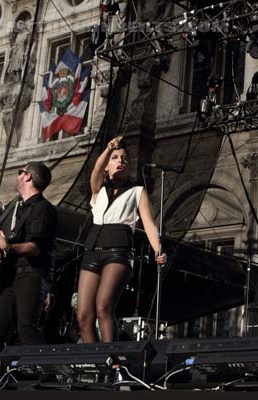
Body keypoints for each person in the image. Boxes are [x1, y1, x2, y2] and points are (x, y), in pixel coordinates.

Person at [77, 136, 167, 343]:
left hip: (119, 252)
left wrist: (158, 250)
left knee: (103, 306)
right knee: (83, 315)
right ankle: (95, 364)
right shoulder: (98, 190)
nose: (120, 161)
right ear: (108, 163)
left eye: (124, 159)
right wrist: (108, 148)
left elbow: (149, 224)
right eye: (115, 158)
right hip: (93, 250)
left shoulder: (136, 192)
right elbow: (95, 172)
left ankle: (111, 363)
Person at [0, 162, 57, 383]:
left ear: (28, 177)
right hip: (13, 277)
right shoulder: (21, 208)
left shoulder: (42, 208)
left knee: (26, 327)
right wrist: (2, 258)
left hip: (32, 274)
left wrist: (8, 247)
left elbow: (35, 247)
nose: (17, 175)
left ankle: (50, 379)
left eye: (20, 172)